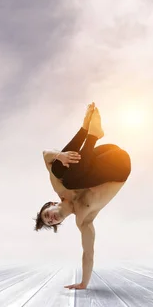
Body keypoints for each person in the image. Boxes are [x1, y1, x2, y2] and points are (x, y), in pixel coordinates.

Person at [34, 102, 132, 290]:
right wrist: (83, 283)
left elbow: (46, 154)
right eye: (51, 223)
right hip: (118, 168)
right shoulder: (83, 219)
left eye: (47, 215)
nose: (52, 218)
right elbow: (88, 253)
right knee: (69, 180)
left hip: (103, 153)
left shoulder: (58, 187)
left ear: (52, 204)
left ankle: (86, 131)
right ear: (57, 224)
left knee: (58, 169)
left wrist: (60, 155)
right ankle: (91, 133)